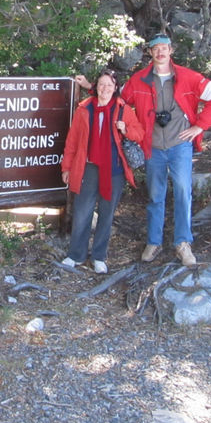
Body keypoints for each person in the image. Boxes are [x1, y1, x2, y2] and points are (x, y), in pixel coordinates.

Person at [120, 32, 211, 266]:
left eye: (164, 48)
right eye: (155, 48)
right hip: (153, 147)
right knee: (155, 196)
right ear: (150, 52)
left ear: (171, 51)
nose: (160, 52)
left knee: (182, 192)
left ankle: (182, 243)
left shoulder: (188, 77)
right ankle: (154, 241)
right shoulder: (139, 80)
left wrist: (199, 126)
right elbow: (119, 102)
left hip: (180, 146)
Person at [61, 68, 145, 274]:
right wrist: (67, 167)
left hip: (114, 170)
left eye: (109, 85)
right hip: (88, 168)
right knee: (82, 212)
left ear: (115, 87)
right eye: (101, 84)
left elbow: (140, 134)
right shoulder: (85, 109)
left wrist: (125, 129)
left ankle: (99, 256)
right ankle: (76, 255)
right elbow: (72, 141)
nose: (105, 88)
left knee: (106, 214)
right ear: (95, 87)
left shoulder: (123, 109)